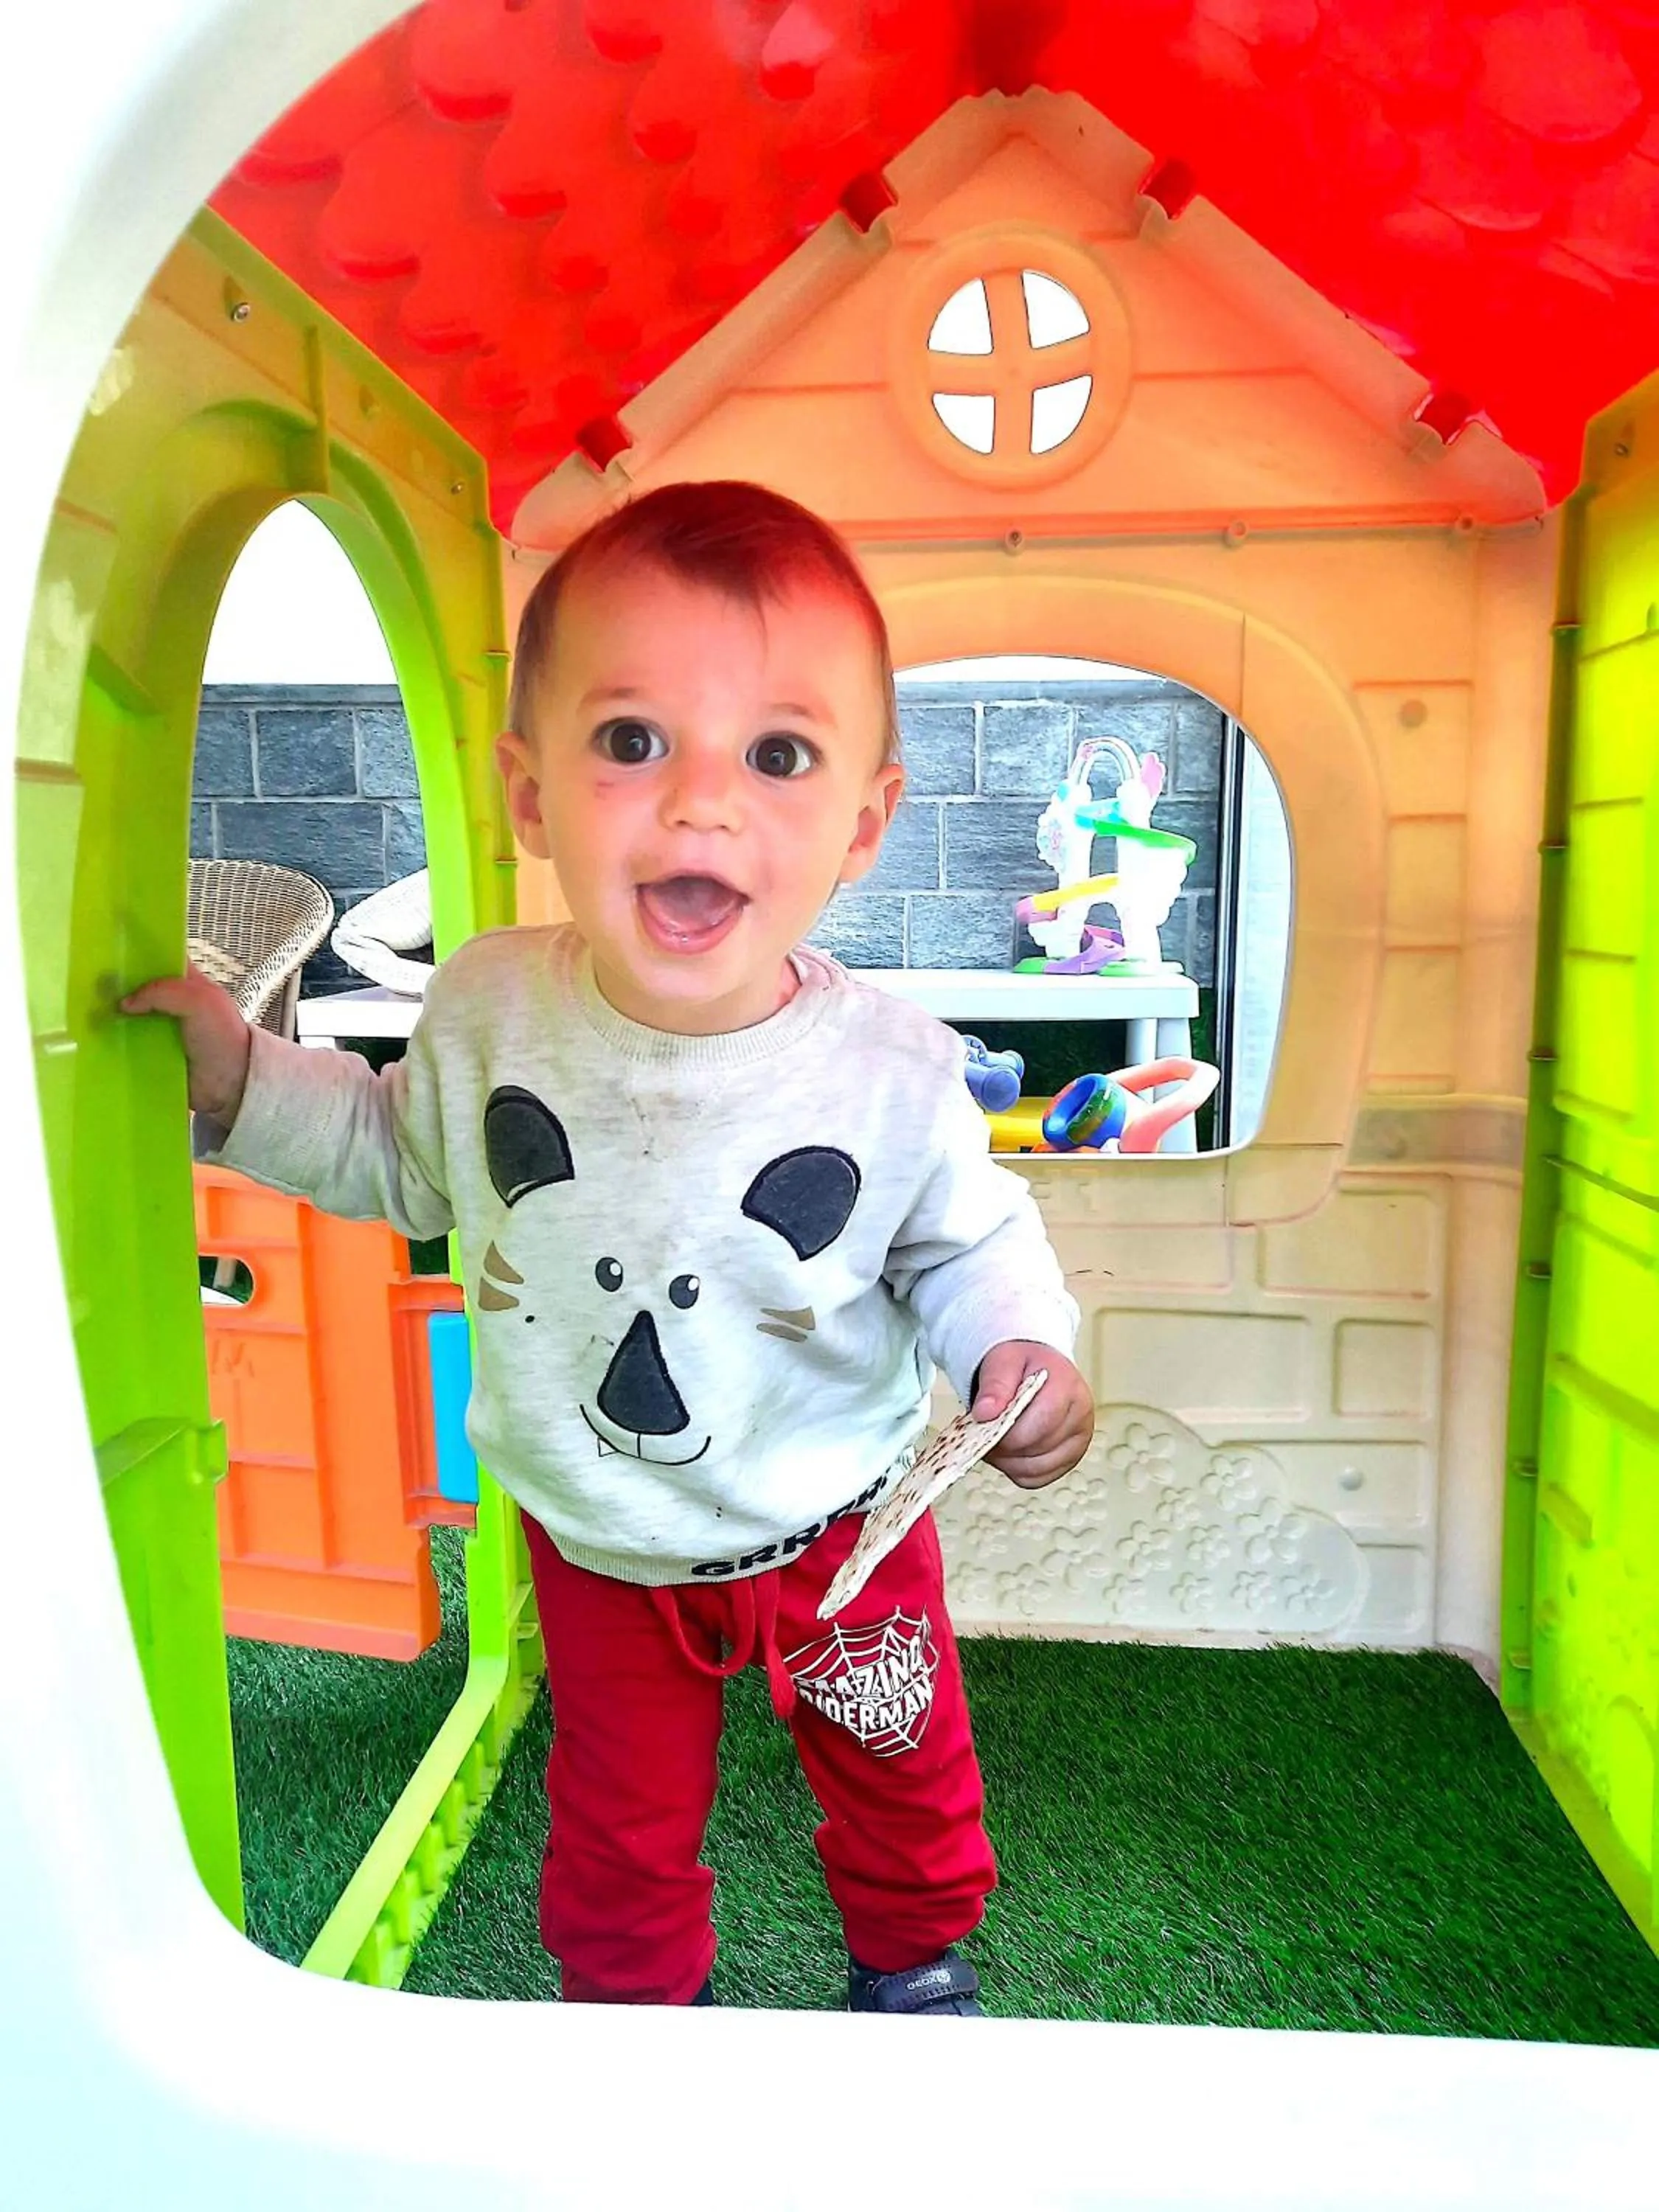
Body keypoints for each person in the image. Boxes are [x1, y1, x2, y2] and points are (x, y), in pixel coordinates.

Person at [125, 480, 1094, 2017]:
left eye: (776, 755)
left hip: (842, 1532)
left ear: (863, 821)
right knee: (620, 1832)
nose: (701, 803)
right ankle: (638, 2033)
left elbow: (968, 1243)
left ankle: (915, 1967)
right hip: (604, 1543)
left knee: (908, 1778)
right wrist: (241, 1080)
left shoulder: (895, 1067)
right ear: (530, 795)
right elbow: (394, 1150)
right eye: (634, 742)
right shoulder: (490, 1012)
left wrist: (1018, 1350)